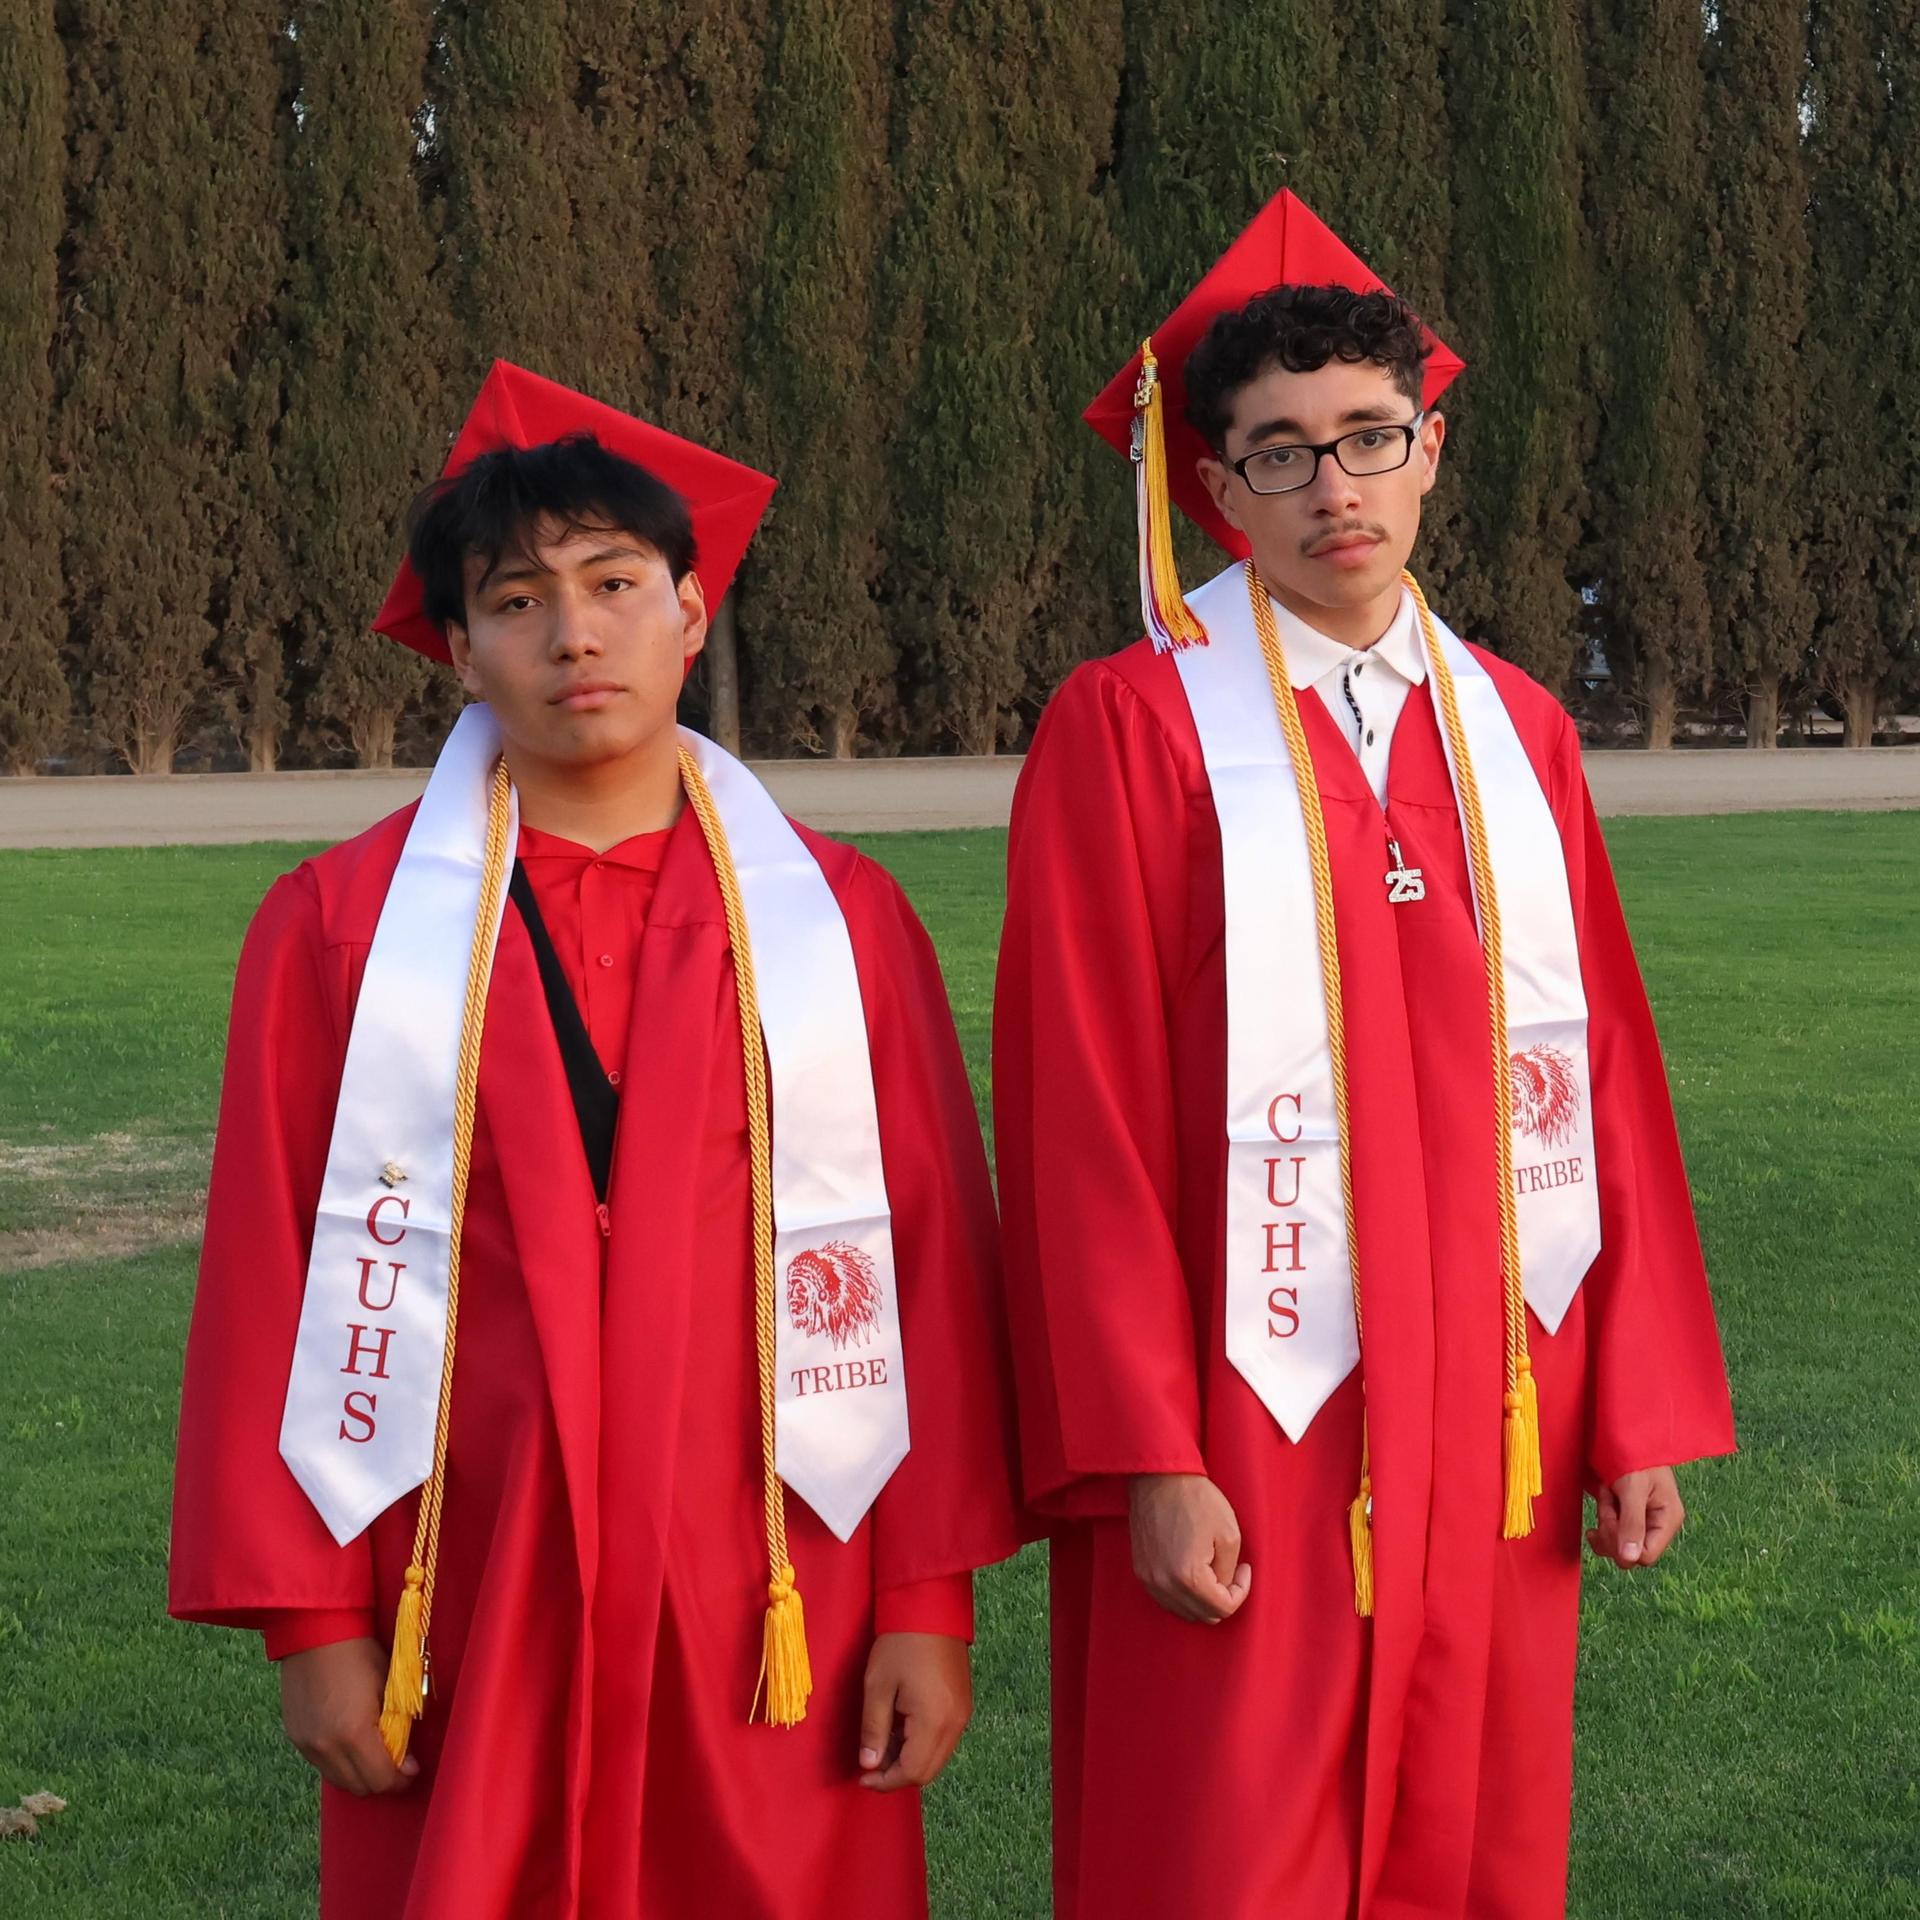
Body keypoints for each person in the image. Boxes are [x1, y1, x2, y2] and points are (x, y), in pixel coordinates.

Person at [170, 362, 1024, 1919]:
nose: (574, 633)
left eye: (617, 583)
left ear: (693, 613)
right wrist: (313, 1624)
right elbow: (264, 1275)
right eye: (516, 598)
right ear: (457, 647)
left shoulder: (838, 923)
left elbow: (924, 1262)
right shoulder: (338, 933)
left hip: (779, 1570)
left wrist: (925, 1599)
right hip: (464, 1568)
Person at [993, 190, 1735, 1919]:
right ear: (1211, 487)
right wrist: (1146, 1453)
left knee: (1470, 1826)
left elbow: (1600, 1069)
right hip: (1249, 1390)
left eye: (1368, 439)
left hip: (1494, 1398)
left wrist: (1622, 1404)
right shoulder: (1130, 727)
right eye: (1278, 454)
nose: (1334, 488)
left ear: (1430, 449)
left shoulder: (1517, 729)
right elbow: (1074, 1108)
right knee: (1228, 1837)